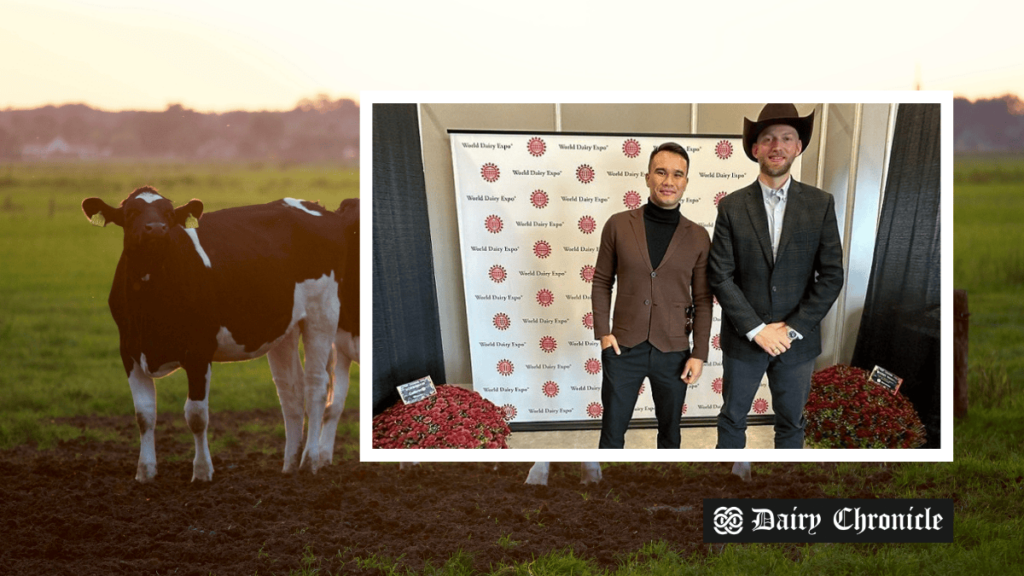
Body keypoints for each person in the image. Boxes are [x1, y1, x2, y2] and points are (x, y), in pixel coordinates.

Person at [709, 103, 844, 449]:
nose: (777, 146)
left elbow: (831, 276)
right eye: (768, 139)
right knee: (732, 419)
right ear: (755, 149)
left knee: (792, 423)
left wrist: (791, 328)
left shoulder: (820, 204)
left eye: (786, 138)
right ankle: (729, 489)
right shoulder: (731, 207)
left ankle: (784, 490)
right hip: (744, 339)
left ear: (798, 147)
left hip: (796, 342)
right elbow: (720, 275)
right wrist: (757, 330)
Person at [591, 142, 712, 449]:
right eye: (660, 172)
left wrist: (699, 353)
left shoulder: (698, 236)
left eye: (677, 174)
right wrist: (604, 334)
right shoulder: (618, 224)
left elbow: (703, 300)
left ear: (686, 182)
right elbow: (602, 281)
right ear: (647, 177)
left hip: (673, 351)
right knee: (612, 432)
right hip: (623, 349)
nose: (668, 181)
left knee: (670, 435)